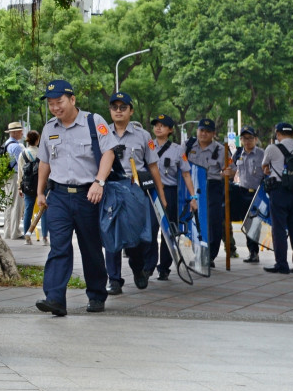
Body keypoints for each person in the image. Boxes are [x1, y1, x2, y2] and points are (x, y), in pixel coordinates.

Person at [34, 79, 114, 316]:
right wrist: (40, 192)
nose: (55, 108)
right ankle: (55, 298)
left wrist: (99, 182)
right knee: (58, 246)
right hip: (58, 195)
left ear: (72, 99)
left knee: (90, 248)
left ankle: (97, 294)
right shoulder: (49, 129)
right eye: (51, 104)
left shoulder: (93, 122)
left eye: (59, 102)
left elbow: (109, 152)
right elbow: (44, 162)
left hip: (88, 195)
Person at [100, 92, 166, 294]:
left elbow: (153, 167)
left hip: (134, 190)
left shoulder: (143, 135)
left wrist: (161, 197)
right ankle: (114, 280)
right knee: (110, 235)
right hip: (110, 188)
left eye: (123, 107)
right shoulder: (102, 133)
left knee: (136, 236)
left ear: (131, 111)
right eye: (114, 107)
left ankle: (138, 269)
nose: (118, 111)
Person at [150, 115, 198, 280]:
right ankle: (148, 265)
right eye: (156, 125)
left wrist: (193, 196)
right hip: (151, 192)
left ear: (170, 130)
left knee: (168, 231)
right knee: (150, 230)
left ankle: (164, 267)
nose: (158, 128)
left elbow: (186, 174)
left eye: (163, 126)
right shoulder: (148, 145)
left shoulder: (178, 150)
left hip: (169, 192)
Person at [261, 122, 293, 275]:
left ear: (278, 134)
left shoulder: (272, 148)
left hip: (279, 191)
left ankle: (282, 264)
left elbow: (265, 167)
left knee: (279, 229)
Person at [184, 118, 234, 267]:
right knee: (194, 221)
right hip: (192, 187)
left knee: (212, 222)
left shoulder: (221, 150)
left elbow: (232, 170)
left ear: (213, 133)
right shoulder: (188, 146)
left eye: (207, 131)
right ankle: (198, 253)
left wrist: (228, 172)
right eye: (201, 130)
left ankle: (210, 255)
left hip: (212, 187)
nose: (203, 134)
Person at [232, 126, 264, 263]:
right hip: (242, 192)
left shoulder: (262, 154)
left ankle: (254, 252)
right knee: (246, 224)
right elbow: (231, 169)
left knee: (255, 224)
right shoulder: (238, 154)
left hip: (257, 194)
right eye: (244, 138)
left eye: (250, 138)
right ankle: (250, 251)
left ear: (255, 139)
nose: (247, 141)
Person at [19, 130, 47, 245]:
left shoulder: (23, 153)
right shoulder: (42, 153)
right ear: (37, 140)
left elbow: (21, 172)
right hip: (42, 184)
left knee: (28, 211)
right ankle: (45, 237)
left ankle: (27, 236)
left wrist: (19, 187)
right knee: (43, 211)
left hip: (28, 185)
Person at [1, 122, 26, 240]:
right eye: (20, 131)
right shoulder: (16, 146)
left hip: (7, 176)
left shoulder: (7, 144)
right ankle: (15, 232)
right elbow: (21, 165)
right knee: (17, 204)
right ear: (15, 132)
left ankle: (8, 232)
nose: (22, 133)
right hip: (15, 176)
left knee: (8, 205)